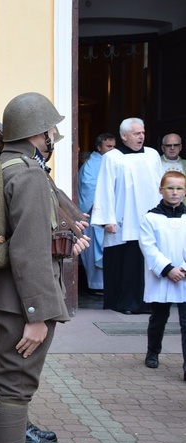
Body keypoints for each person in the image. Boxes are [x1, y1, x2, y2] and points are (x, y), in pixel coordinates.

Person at [0, 92, 89, 443]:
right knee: (15, 391)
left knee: (4, 386)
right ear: (40, 133)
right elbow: (29, 249)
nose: (54, 133)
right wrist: (38, 315)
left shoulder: (4, 166)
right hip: (20, 303)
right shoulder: (29, 174)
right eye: (52, 128)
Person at [91, 118, 163, 314]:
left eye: (142, 133)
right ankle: (124, 303)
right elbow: (105, 188)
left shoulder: (153, 155)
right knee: (127, 263)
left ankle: (149, 302)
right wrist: (107, 219)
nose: (141, 136)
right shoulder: (112, 157)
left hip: (150, 217)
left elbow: (160, 185)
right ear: (124, 136)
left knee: (147, 261)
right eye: (136, 133)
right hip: (124, 217)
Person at [139, 171, 186, 374]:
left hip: (184, 276)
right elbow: (148, 247)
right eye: (170, 188)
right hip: (162, 276)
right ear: (161, 190)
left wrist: (182, 269)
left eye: (179, 188)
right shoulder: (150, 218)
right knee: (158, 318)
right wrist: (168, 269)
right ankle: (152, 352)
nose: (174, 193)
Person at [78, 133, 116, 292]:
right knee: (94, 250)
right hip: (95, 215)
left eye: (114, 147)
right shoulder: (90, 165)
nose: (112, 150)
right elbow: (89, 187)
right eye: (108, 147)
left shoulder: (116, 160)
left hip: (113, 214)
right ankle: (97, 286)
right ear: (99, 147)